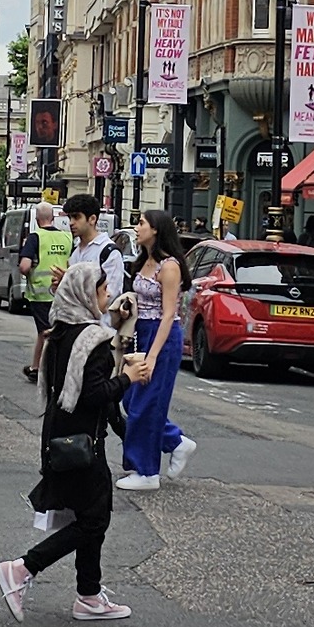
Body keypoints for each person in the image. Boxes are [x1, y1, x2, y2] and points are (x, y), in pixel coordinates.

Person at [0, 246, 132, 622]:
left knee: (89, 515)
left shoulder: (59, 334)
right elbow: (94, 395)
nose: (107, 297)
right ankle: (22, 568)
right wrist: (127, 378)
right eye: (102, 291)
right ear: (87, 294)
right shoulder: (94, 343)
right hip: (83, 443)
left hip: (59, 438)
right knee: (93, 520)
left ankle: (88, 595)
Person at [118, 206, 191, 488]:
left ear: (156, 229)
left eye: (141, 223)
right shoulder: (143, 260)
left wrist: (152, 355)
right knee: (130, 399)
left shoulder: (169, 266)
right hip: (141, 332)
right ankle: (175, 441)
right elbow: (142, 301)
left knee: (146, 403)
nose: (137, 228)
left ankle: (147, 472)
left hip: (162, 337)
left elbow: (169, 313)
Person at [19, 185, 71, 384]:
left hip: (41, 294)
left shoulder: (35, 237)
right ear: (54, 218)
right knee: (51, 331)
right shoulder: (67, 237)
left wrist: (29, 266)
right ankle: (37, 366)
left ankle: (47, 369)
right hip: (64, 292)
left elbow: (24, 267)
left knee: (46, 331)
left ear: (37, 220)